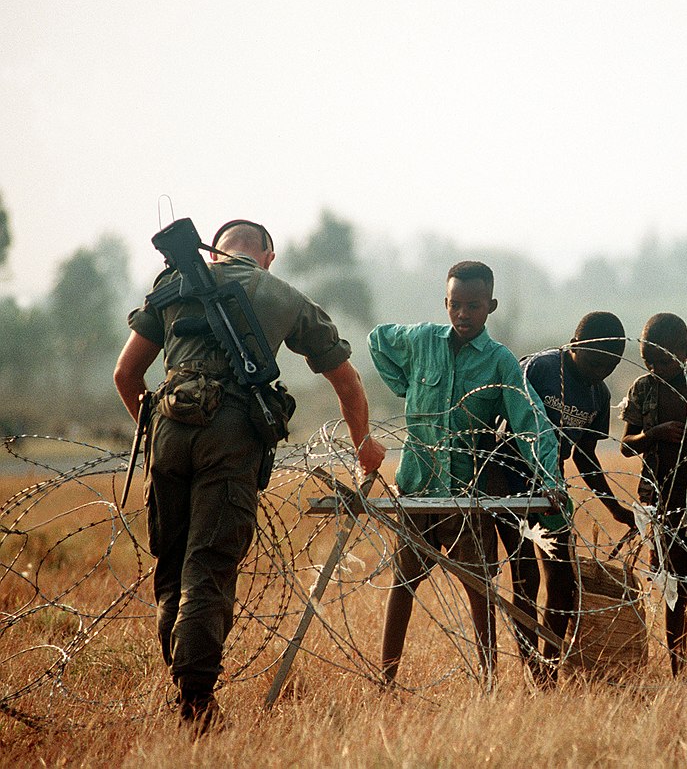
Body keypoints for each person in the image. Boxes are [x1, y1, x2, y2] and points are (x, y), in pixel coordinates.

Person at [113, 219, 386, 732]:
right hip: (231, 434)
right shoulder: (283, 295)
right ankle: (195, 703)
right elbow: (346, 380)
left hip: (168, 429)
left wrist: (155, 433)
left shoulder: (171, 284)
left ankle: (183, 686)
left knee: (171, 567)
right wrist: (363, 445)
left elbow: (126, 376)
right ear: (269, 255)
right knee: (209, 568)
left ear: (213, 254)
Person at [369, 260, 564, 686]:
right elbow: (377, 339)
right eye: (456, 304)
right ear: (445, 302)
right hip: (418, 483)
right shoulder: (421, 340)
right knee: (403, 583)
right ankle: (386, 680)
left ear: (490, 306)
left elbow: (530, 422)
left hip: (467, 489)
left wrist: (550, 481)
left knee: (479, 588)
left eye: (473, 306)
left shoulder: (500, 362)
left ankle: (488, 679)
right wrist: (403, 385)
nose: (463, 314)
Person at [491, 311, 635, 686]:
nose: (601, 370)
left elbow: (585, 458)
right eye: (595, 360)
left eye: (611, 364)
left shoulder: (598, 394)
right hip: (509, 482)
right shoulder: (540, 369)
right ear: (574, 344)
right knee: (524, 575)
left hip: (551, 492)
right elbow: (502, 418)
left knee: (562, 582)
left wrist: (615, 508)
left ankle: (549, 664)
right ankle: (532, 668)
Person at [620, 312, 687, 676]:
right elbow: (626, 446)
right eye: (649, 361)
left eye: (665, 361)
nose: (657, 368)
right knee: (673, 590)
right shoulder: (643, 388)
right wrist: (653, 435)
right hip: (662, 497)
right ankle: (677, 670)